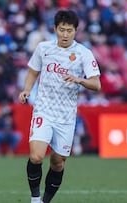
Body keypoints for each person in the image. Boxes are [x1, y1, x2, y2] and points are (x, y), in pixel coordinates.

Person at [18, 10, 101, 203]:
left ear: (76, 31)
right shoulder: (43, 48)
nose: (65, 34)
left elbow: (96, 84)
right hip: (44, 110)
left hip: (66, 116)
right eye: (61, 30)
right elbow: (32, 72)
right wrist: (27, 90)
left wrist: (79, 80)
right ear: (55, 29)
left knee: (57, 163)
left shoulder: (83, 54)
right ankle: (35, 198)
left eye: (69, 30)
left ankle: (45, 201)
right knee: (36, 156)